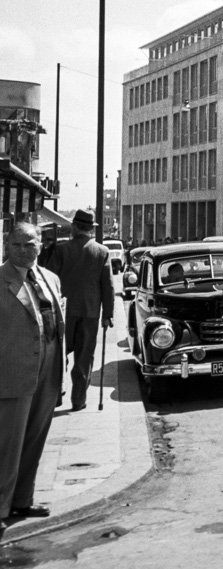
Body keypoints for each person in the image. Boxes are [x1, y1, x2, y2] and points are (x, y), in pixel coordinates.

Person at [0, 222, 67, 540]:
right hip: (13, 371)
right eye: (16, 245)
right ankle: (0, 508)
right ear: (6, 246)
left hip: (48, 367)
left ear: (41, 244)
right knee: (6, 444)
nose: (23, 250)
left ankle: (22, 500)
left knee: (35, 437)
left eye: (29, 244)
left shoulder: (50, 278)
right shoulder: (1, 280)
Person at [43, 210, 113, 412]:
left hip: (63, 311)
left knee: (58, 356)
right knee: (84, 357)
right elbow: (107, 286)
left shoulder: (61, 250)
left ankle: (55, 396)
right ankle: (78, 400)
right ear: (91, 229)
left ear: (74, 227)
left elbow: (49, 279)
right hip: (90, 312)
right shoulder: (102, 252)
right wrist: (107, 315)